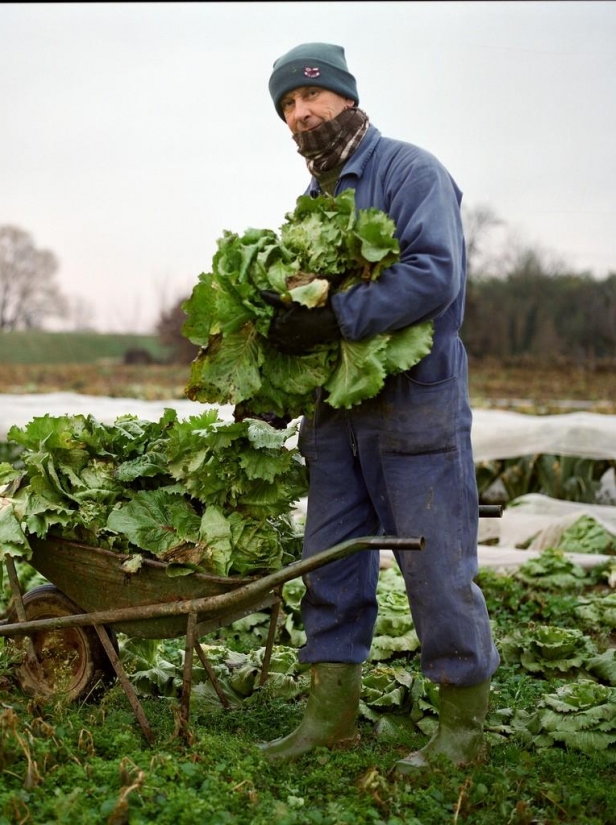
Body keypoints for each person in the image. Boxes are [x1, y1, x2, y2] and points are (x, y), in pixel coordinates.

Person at [257, 42, 500, 774]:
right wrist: (277, 383)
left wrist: (337, 315)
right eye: (286, 107)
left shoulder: (408, 170)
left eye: (309, 97)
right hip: (336, 420)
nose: (301, 115)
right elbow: (302, 312)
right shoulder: (311, 203)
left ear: (343, 96)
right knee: (328, 564)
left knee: (435, 567)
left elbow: (434, 273)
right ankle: (329, 716)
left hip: (414, 410)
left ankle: (461, 731)